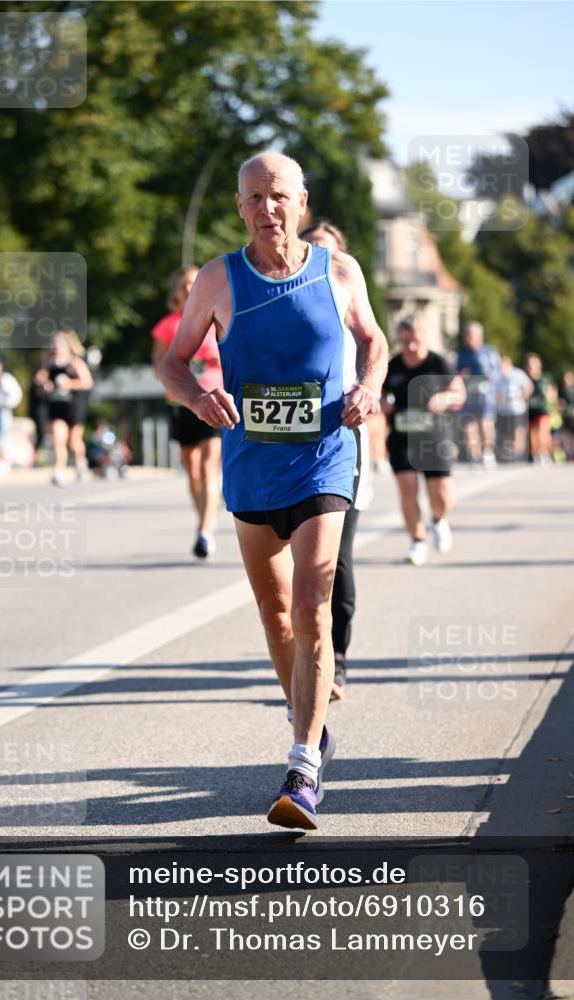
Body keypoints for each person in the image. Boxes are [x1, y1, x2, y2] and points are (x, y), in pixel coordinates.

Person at [159, 152, 388, 829]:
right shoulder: (216, 279)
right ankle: (311, 725)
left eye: (279, 196)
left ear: (302, 201)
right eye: (255, 198)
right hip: (252, 464)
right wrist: (198, 393)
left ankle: (302, 766)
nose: (268, 209)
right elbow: (173, 362)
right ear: (239, 207)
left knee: (315, 599)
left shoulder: (339, 272)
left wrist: (369, 388)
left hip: (323, 456)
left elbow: (372, 342)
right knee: (276, 612)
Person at [299, 220, 373, 701]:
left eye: (328, 250)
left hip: (342, 440)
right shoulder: (289, 304)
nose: (320, 258)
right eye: (313, 248)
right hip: (287, 447)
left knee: (336, 561)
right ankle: (303, 659)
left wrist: (368, 394)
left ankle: (336, 657)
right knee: (292, 569)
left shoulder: (350, 305)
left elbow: (374, 351)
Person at [383, 315, 466, 566]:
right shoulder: (394, 365)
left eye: (414, 340)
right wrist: (381, 403)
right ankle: (417, 541)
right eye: (404, 340)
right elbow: (381, 392)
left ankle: (439, 520)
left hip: (434, 436)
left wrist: (445, 399)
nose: (409, 346)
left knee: (441, 494)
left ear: (423, 337)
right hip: (402, 435)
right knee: (408, 488)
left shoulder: (438, 363)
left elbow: (458, 391)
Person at [152, 267, 223, 558]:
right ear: (176, 291)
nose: (188, 289)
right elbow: (159, 364)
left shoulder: (215, 318)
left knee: (208, 467)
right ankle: (204, 519)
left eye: (194, 283)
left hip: (213, 397)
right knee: (192, 471)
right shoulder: (168, 325)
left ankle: (205, 531)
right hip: (181, 402)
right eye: (183, 285)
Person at [33, 331, 93, 486]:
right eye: (54, 344)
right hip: (56, 406)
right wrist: (45, 386)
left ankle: (80, 463)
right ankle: (58, 470)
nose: (56, 347)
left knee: (74, 442)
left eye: (60, 344)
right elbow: (38, 382)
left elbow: (87, 382)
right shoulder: (49, 364)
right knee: (58, 439)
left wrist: (70, 384)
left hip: (73, 406)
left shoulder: (75, 363)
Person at [456, 321, 500, 469]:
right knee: (468, 425)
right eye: (466, 335)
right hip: (468, 394)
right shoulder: (462, 354)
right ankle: (474, 457)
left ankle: (487, 453)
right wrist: (461, 376)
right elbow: (456, 373)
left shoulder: (489, 352)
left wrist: (489, 375)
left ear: (479, 336)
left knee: (486, 423)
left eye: (471, 335)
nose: (468, 338)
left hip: (485, 395)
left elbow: (497, 372)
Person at [495, 355, 533, 462]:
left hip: (516, 409)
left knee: (516, 432)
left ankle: (517, 454)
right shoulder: (498, 376)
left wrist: (520, 396)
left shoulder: (517, 374)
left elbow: (529, 387)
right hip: (502, 410)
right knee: (505, 434)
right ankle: (508, 455)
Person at [524, 353, 553, 465]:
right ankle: (536, 455)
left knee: (543, 431)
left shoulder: (545, 378)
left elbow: (551, 393)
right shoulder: (525, 379)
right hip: (530, 410)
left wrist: (549, 396)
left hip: (542, 409)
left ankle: (544, 453)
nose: (532, 368)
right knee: (533, 434)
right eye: (529, 365)